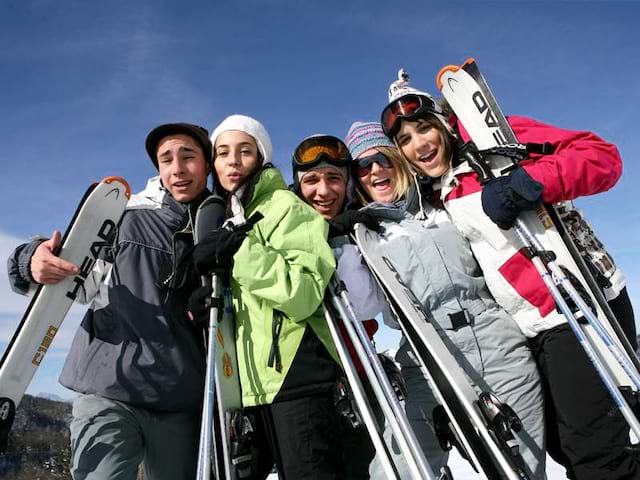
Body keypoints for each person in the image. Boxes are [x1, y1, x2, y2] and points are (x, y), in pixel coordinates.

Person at [380, 70, 640, 479]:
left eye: (424, 128)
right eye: (405, 140)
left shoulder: (494, 141)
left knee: (592, 452)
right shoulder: (437, 194)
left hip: (576, 303)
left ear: (444, 124)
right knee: (560, 443)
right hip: (528, 326)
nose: (419, 144)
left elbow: (601, 155)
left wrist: (528, 182)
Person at [7, 123, 213, 479]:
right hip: (110, 389)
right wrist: (32, 259)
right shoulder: (127, 218)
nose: (177, 167)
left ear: (207, 165)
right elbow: (73, 264)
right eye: (166, 159)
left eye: (188, 157)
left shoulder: (219, 226)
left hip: (180, 399)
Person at [344, 121, 546, 479]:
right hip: (425, 356)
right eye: (363, 166)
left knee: (521, 468)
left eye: (382, 159)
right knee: (397, 470)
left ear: (398, 161)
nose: (375, 170)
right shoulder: (362, 235)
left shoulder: (445, 203)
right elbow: (365, 305)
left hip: (497, 345)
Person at [191, 115, 345, 479]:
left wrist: (240, 252)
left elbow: (304, 292)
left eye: (245, 151)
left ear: (260, 158)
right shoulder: (228, 216)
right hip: (247, 386)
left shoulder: (287, 207)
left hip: (297, 374)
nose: (233, 161)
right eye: (223, 152)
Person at [290, 134, 387, 479]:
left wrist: (344, 246)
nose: (324, 191)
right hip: (303, 381)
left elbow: (369, 307)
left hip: (357, 372)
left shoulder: (360, 229)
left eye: (334, 178)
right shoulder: (284, 228)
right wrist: (321, 235)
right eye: (311, 180)